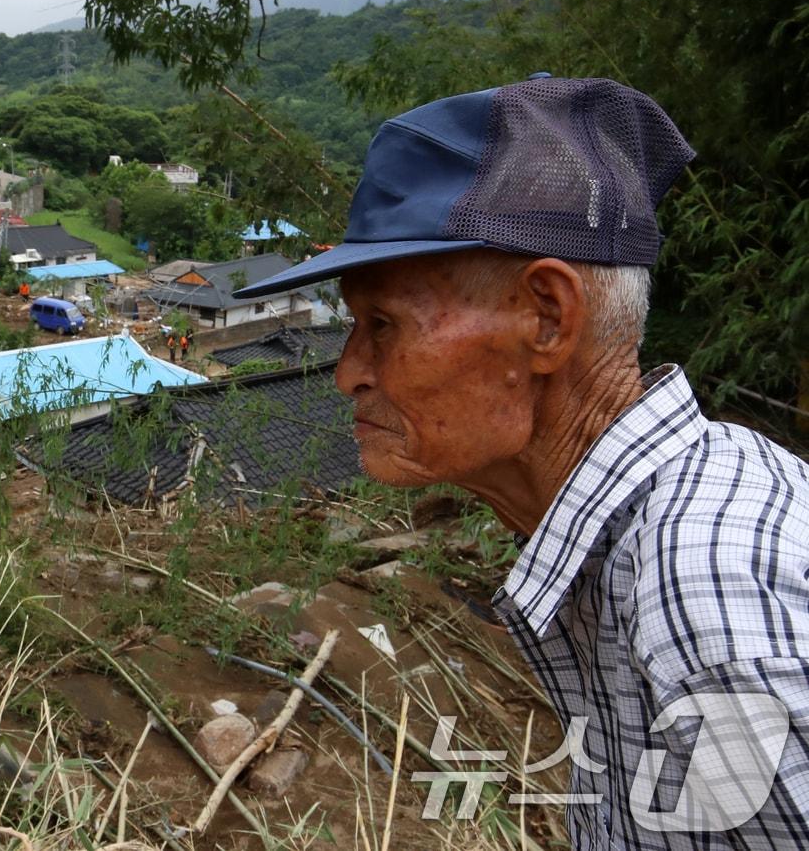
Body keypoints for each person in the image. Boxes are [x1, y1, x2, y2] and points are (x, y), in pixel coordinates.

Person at [233, 75, 809, 849]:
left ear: (547, 318)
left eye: (384, 323)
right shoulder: (661, 522)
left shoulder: (698, 591)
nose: (348, 373)